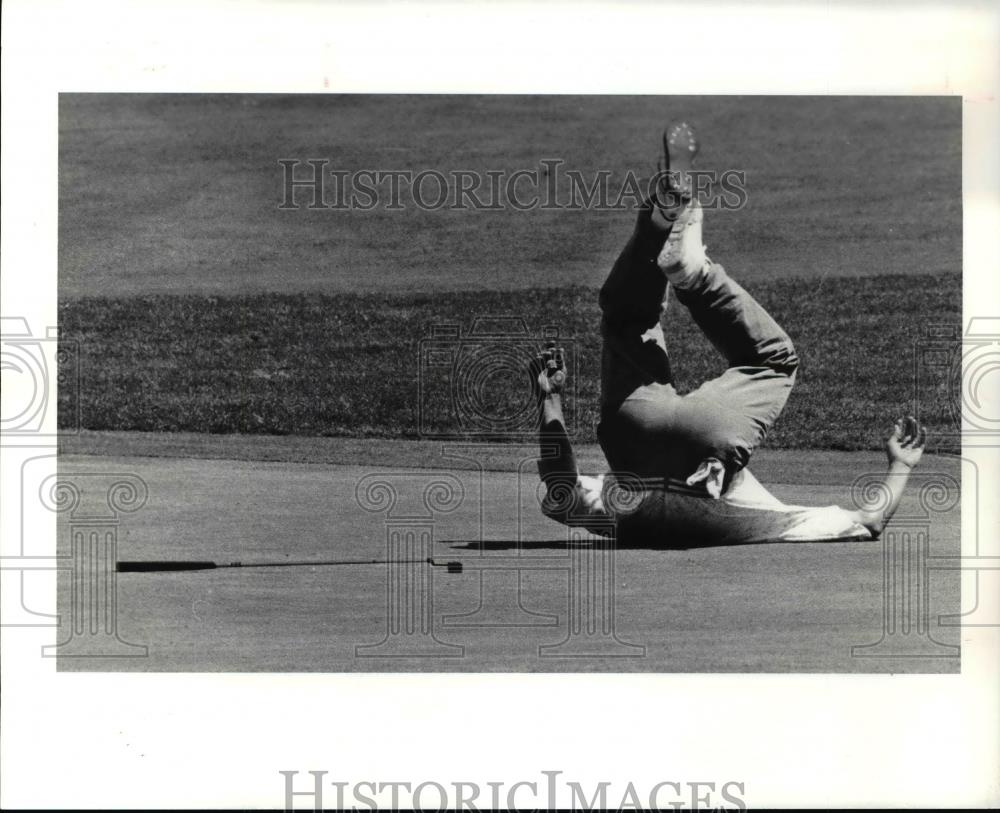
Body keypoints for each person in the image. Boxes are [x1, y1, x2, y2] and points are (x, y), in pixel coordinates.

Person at [534, 122, 927, 545]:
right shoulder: (638, 518)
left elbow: (869, 521)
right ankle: (661, 229)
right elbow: (561, 491)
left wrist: (901, 465)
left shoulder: (728, 521)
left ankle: (691, 269)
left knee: (771, 359)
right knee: (627, 321)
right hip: (642, 439)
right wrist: (548, 396)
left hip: (681, 440)